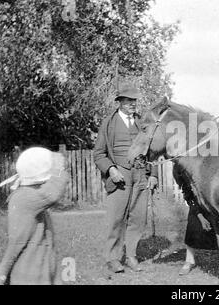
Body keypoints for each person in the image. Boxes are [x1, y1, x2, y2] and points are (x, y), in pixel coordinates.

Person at [94, 83, 158, 274]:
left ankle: (131, 255)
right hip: (120, 176)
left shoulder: (141, 123)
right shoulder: (108, 123)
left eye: (134, 101)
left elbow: (152, 152)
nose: (132, 104)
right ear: (120, 102)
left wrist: (153, 175)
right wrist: (111, 169)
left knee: (138, 218)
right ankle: (112, 259)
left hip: (141, 175)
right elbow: (99, 154)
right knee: (116, 218)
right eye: (128, 100)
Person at [0, 147, 68, 285]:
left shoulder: (27, 195)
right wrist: (58, 168)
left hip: (40, 264)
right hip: (30, 269)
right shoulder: (25, 197)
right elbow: (53, 193)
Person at [172, 163, 218, 276]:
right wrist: (200, 217)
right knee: (193, 224)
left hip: (214, 199)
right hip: (196, 202)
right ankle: (189, 261)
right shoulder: (181, 168)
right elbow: (188, 193)